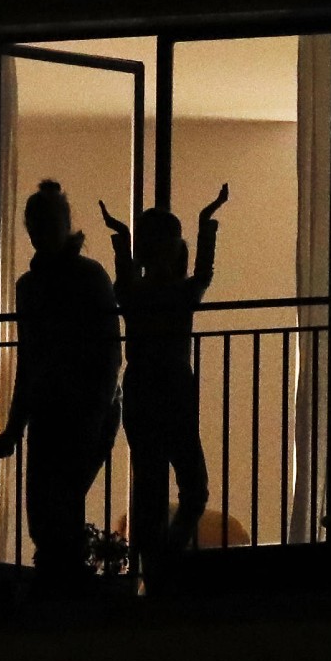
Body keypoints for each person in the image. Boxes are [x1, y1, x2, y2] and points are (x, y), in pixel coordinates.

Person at [0, 180, 122, 593]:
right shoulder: (35, 286)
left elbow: (108, 354)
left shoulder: (83, 279)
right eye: (34, 225)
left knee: (57, 508)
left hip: (81, 410)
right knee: (48, 512)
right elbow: (31, 360)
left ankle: (60, 590)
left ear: (64, 225)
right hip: (54, 412)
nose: (38, 233)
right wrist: (15, 428)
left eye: (44, 224)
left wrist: (98, 408)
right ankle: (62, 588)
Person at [99, 185, 228, 582]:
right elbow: (203, 273)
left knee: (152, 487)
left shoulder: (133, 293)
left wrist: (120, 238)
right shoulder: (180, 292)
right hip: (172, 393)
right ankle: (163, 564)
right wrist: (207, 222)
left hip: (142, 394)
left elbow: (126, 277)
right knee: (192, 486)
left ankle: (154, 568)